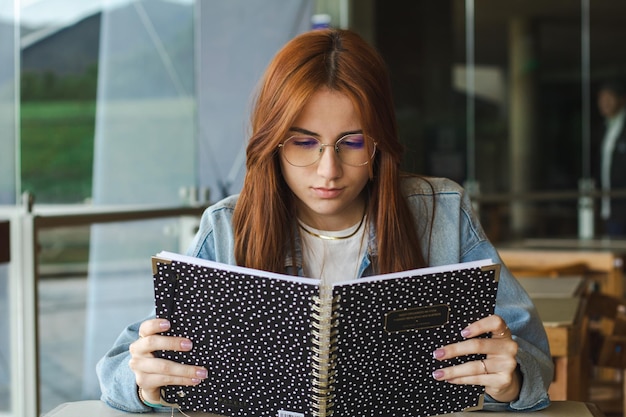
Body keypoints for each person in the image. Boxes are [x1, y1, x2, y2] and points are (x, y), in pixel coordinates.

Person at [96, 28, 553, 413]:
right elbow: (119, 367)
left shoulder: (440, 212)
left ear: (380, 146)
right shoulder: (228, 227)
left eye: (352, 142)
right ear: (272, 144)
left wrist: (510, 382)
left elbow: (533, 359)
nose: (328, 170)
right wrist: (143, 382)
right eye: (303, 142)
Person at [594, 80, 626, 237]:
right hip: (610, 208)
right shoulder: (603, 129)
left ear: (621, 99)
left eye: (609, 98)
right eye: (601, 98)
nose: (604, 103)